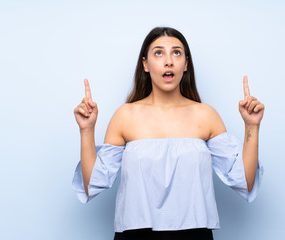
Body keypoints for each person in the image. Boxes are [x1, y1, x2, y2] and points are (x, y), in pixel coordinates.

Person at [72, 27, 265, 240]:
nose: (168, 61)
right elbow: (92, 184)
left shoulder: (206, 115)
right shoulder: (125, 116)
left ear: (186, 64)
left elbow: (244, 181)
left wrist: (252, 126)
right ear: (145, 64)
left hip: (195, 235)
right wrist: (87, 130)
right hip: (135, 235)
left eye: (176, 52)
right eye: (158, 53)